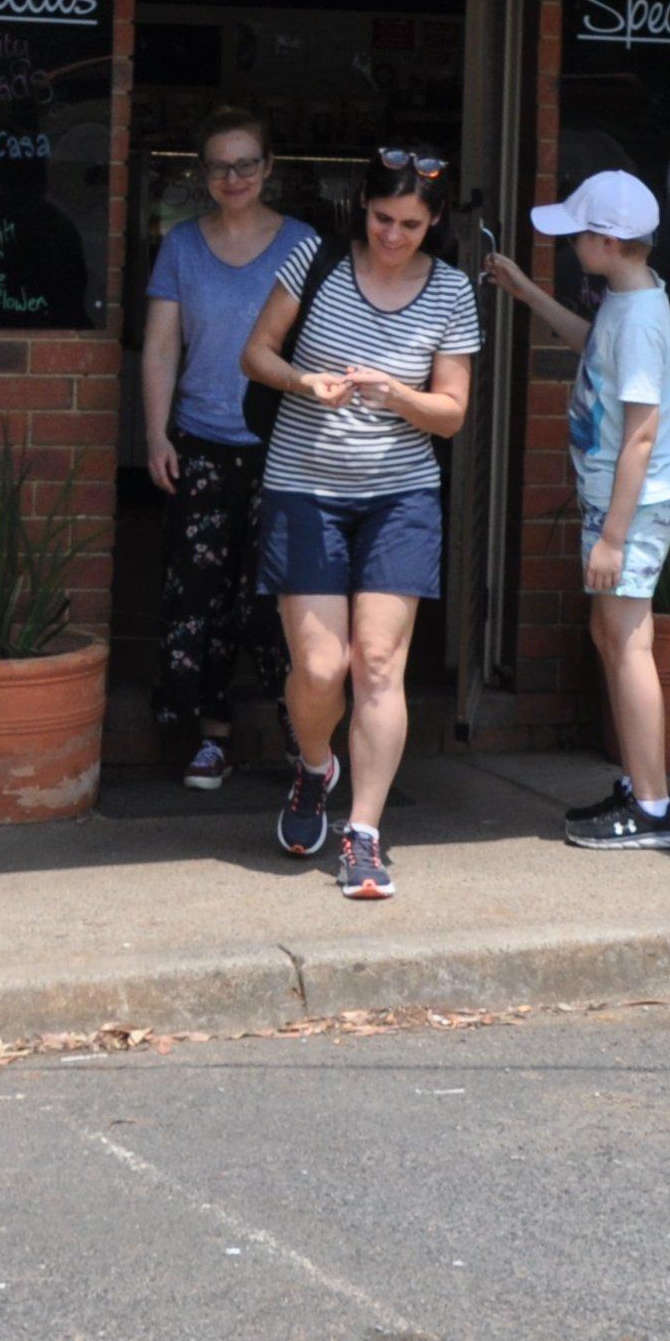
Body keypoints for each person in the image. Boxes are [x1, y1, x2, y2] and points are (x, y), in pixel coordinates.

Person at [240, 149, 478, 901]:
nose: (393, 235)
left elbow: (452, 413)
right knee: (320, 668)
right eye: (381, 219)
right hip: (304, 487)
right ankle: (316, 767)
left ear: (434, 223)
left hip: (400, 496)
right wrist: (303, 380)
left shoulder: (452, 290)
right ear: (362, 209)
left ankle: (364, 834)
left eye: (411, 224)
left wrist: (397, 393)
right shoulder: (316, 262)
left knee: (377, 662)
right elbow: (255, 355)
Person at [486, 168, 670, 851]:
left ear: (606, 242)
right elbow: (593, 346)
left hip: (630, 506)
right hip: (621, 501)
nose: (571, 243)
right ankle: (642, 787)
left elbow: (641, 435)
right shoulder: (629, 301)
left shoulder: (638, 321)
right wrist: (527, 291)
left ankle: (654, 808)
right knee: (614, 637)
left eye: (578, 234)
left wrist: (613, 537)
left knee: (627, 644)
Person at [139, 110, 309, 790]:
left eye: (245, 164)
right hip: (200, 441)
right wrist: (156, 433)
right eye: (218, 166)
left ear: (268, 168)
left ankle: (305, 732)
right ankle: (208, 736)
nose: (232, 177)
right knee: (197, 597)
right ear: (202, 173)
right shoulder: (181, 245)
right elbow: (160, 346)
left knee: (282, 596)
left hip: (286, 444)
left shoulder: (303, 244)